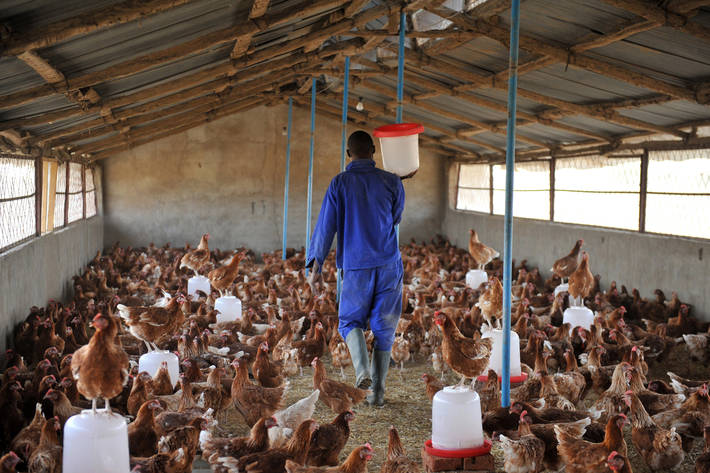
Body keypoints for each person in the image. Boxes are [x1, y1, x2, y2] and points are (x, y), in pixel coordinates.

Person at [306, 130, 414, 407]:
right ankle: (377, 393)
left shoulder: (339, 183)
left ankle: (362, 370)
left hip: (356, 266)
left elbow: (326, 226)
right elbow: (397, 216)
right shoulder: (392, 181)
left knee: (350, 321)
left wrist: (314, 266)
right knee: (384, 327)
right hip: (388, 263)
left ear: (348, 154)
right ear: (374, 152)